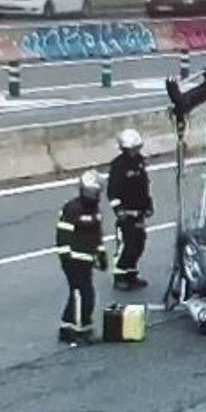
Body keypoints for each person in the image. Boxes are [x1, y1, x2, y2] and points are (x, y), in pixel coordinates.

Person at [57, 171, 109, 344]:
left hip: (87, 259)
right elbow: (63, 234)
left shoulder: (94, 210)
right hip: (73, 259)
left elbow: (97, 233)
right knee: (82, 294)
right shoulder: (72, 209)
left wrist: (100, 252)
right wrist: (66, 256)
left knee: (85, 294)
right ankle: (77, 330)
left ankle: (72, 326)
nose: (93, 196)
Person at [107, 128, 152, 290]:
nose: (136, 152)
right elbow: (112, 191)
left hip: (139, 212)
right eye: (133, 149)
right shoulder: (119, 165)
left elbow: (144, 186)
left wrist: (148, 205)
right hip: (126, 214)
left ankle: (131, 274)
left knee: (139, 244)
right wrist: (119, 210)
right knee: (127, 245)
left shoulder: (139, 162)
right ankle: (120, 276)